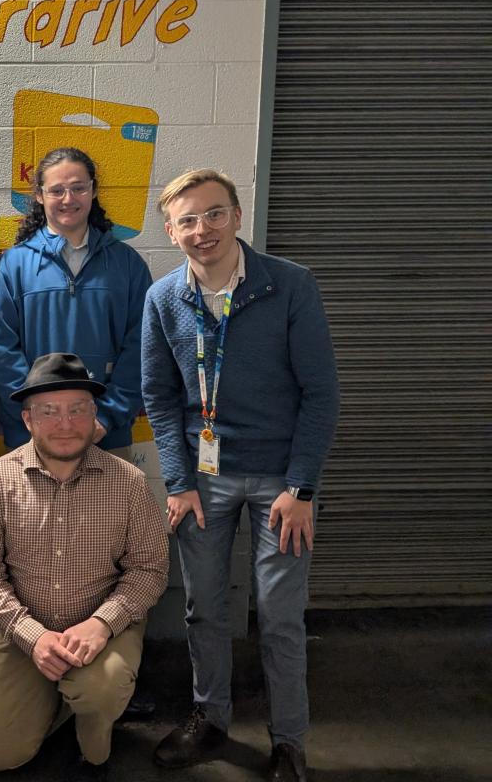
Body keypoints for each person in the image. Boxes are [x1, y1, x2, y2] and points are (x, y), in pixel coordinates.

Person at [142, 170, 339, 782]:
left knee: (279, 614)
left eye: (215, 214)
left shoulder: (290, 286)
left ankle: (289, 742)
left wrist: (302, 487)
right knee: (203, 608)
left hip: (282, 480)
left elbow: (321, 393)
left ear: (236, 216)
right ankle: (212, 719)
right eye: (189, 220)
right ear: (171, 232)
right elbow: (158, 393)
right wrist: (177, 482)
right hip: (205, 481)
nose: (204, 231)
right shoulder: (163, 299)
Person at [0, 353, 169, 781]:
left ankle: (92, 734)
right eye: (49, 412)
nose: (65, 423)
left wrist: (102, 624)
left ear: (94, 415)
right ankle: (56, 699)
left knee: (98, 689)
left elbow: (149, 570)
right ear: (28, 419)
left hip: (103, 629)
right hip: (26, 627)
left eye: (77, 409)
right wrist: (32, 637)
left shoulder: (127, 482)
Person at [0, 146, 151, 457]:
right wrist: (37, 417)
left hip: (106, 435)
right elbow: (1, 349)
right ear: (39, 195)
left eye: (78, 188)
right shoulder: (14, 265)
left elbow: (141, 348)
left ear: (93, 190)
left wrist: (106, 416)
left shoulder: (127, 264)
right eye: (57, 190)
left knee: (104, 509)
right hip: (30, 435)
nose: (68, 199)